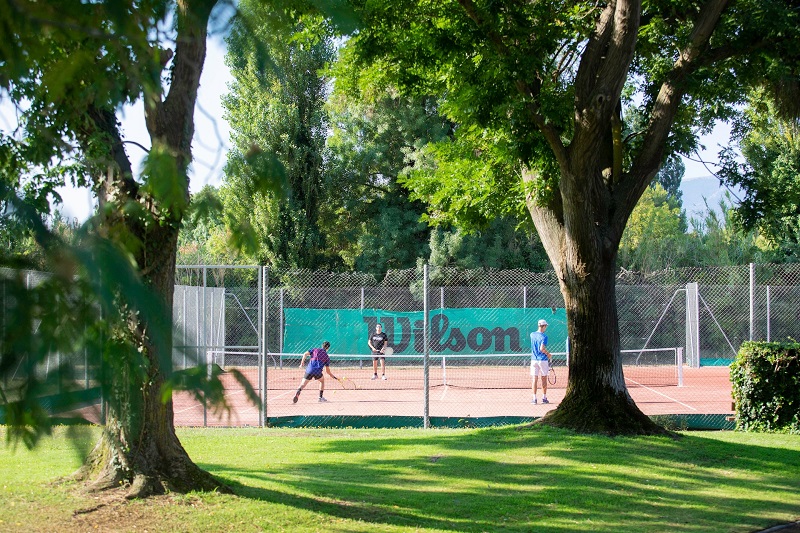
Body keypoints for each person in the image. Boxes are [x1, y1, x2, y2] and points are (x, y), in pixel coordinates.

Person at [530, 319, 553, 404]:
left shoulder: (532, 335)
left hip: (534, 360)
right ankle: (544, 398)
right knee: (544, 379)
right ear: (543, 326)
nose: (546, 327)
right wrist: (548, 354)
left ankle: (534, 399)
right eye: (545, 326)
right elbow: (542, 349)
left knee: (534, 379)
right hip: (542, 360)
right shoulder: (544, 336)